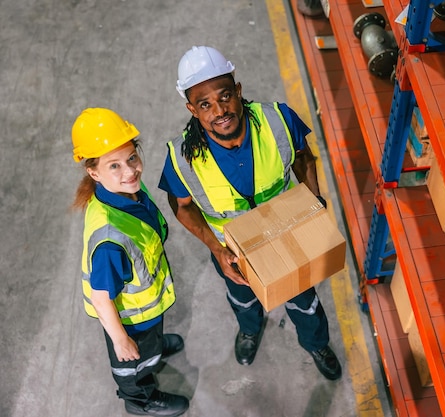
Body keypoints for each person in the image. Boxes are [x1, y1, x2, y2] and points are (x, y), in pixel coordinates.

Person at [158, 46, 342, 381]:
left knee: (304, 300)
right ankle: (249, 330)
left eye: (225, 95)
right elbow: (181, 207)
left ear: (238, 90)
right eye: (205, 104)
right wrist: (217, 249)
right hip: (233, 251)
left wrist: (314, 200)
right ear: (192, 109)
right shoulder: (182, 158)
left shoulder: (278, 119)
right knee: (242, 297)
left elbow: (305, 157)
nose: (220, 110)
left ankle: (316, 343)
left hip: (285, 234)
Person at [71, 108, 190, 416]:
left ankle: (156, 347)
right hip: (132, 319)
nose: (130, 171)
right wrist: (121, 339)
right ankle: (140, 400)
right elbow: (101, 298)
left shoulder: (125, 191)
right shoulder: (110, 242)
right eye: (114, 165)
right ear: (94, 173)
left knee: (152, 344)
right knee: (134, 362)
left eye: (132, 158)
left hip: (147, 308)